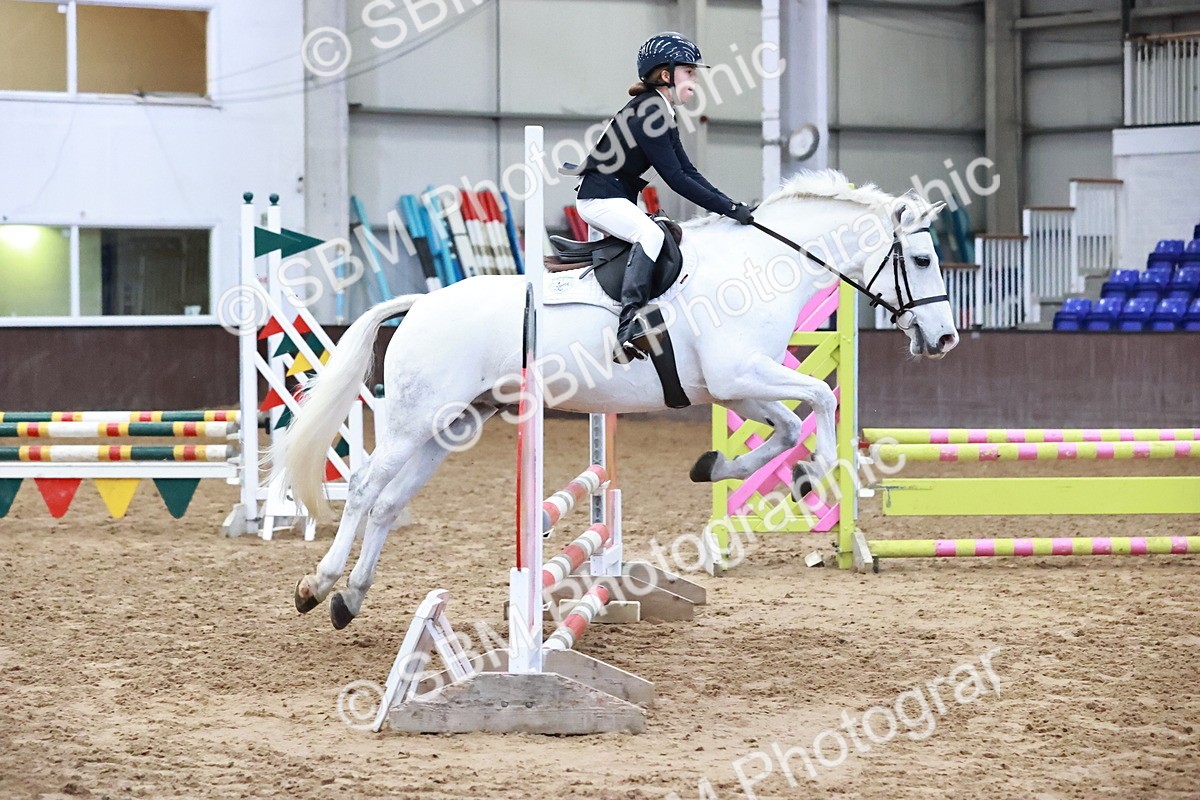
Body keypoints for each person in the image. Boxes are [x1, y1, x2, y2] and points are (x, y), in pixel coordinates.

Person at [574, 31, 756, 363]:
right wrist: (728, 209)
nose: (695, 82)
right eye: (689, 73)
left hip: (617, 196)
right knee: (651, 234)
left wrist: (733, 205)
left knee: (661, 233)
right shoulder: (651, 111)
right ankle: (628, 327)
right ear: (665, 74)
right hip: (600, 199)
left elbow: (688, 172)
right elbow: (675, 180)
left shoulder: (661, 109)